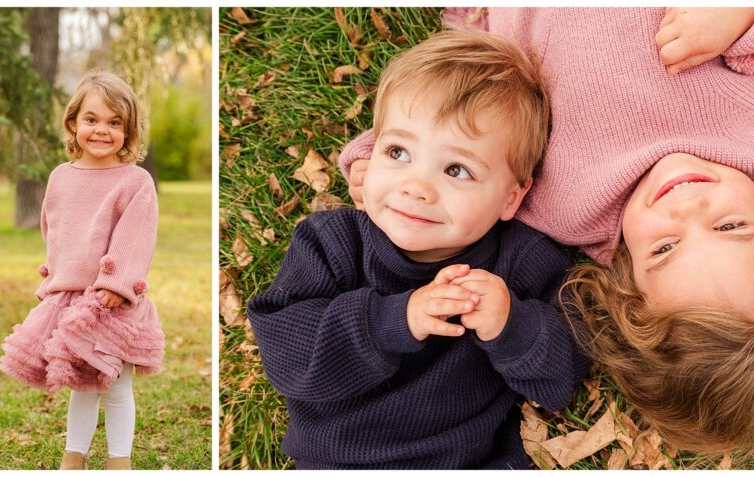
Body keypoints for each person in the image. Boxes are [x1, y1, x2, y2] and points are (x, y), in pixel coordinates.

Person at [339, 8, 754, 453]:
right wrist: (750, 17)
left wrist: (385, 168)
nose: (687, 204)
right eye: (730, 224)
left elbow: (464, 159)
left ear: (626, 281)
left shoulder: (563, 211)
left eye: (665, 247)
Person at [247, 30, 587, 469]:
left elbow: (565, 375)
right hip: (337, 460)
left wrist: (511, 325)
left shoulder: (519, 262)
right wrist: (395, 320)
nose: (417, 187)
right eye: (398, 152)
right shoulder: (333, 242)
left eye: (456, 169)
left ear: (511, 198)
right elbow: (286, 354)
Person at [0, 70, 165, 470]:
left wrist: (117, 282)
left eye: (114, 123)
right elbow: (54, 229)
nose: (102, 130)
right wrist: (55, 281)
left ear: (129, 130)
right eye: (92, 120)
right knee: (82, 386)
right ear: (73, 123)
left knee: (116, 385)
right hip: (69, 297)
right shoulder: (60, 177)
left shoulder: (134, 181)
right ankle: (74, 456)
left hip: (111, 300)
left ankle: (118, 460)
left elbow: (136, 234)